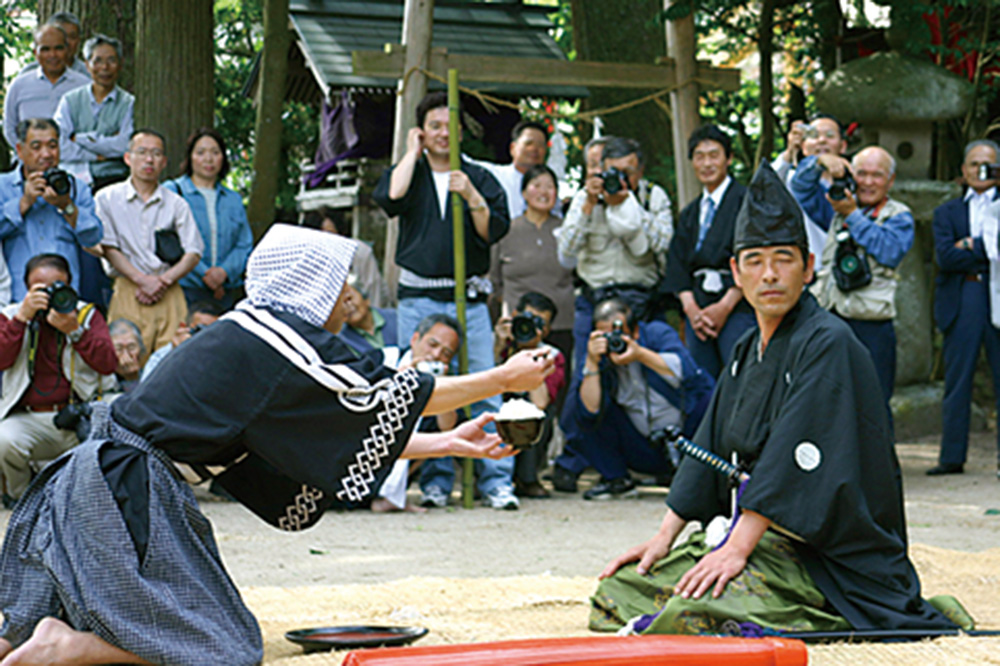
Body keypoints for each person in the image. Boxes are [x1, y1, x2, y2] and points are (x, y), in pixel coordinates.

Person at [0, 224, 554, 665]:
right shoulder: (273, 341)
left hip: (87, 486)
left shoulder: (254, 341)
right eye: (338, 285)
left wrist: (449, 442)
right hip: (125, 493)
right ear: (311, 284)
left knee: (14, 627)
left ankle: (59, 635)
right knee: (224, 646)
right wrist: (502, 379)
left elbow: (331, 433)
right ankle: (73, 647)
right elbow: (382, 392)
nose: (345, 300)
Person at [591, 162, 962, 637]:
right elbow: (708, 445)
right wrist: (663, 538)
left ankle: (815, 609)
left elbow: (794, 453)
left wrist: (737, 548)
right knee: (617, 591)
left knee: (686, 615)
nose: (770, 275)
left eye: (784, 258)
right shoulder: (748, 350)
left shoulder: (829, 342)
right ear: (735, 272)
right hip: (759, 536)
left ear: (808, 267)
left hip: (828, 556)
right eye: (755, 261)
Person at [373, 91, 517, 510]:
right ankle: (435, 481)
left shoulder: (479, 175)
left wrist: (472, 196)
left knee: (486, 385)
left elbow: (493, 231)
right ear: (422, 131)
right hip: (419, 295)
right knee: (425, 388)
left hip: (468, 296)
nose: (441, 134)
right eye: (432, 126)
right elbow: (390, 199)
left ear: (459, 131)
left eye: (448, 127)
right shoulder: (412, 170)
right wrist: (410, 151)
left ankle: (496, 480)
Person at [561, 298, 713, 501]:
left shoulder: (656, 333)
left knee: (710, 399)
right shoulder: (598, 357)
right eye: (607, 336)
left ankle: (708, 478)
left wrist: (640, 354)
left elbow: (687, 371)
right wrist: (591, 363)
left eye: (619, 333)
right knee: (581, 407)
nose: (615, 341)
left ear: (635, 331)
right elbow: (589, 410)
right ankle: (616, 479)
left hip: (687, 437)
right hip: (642, 446)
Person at [799, 145, 914, 410]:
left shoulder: (899, 215)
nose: (868, 182)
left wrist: (852, 215)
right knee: (828, 402)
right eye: (862, 173)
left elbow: (889, 250)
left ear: (890, 180)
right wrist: (819, 162)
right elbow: (801, 189)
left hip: (871, 323)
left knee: (872, 405)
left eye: (877, 175)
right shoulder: (835, 204)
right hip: (831, 315)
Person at [0, 253, 117, 505]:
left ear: (70, 286)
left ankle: (90, 496)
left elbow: (108, 363)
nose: (52, 295)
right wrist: (22, 319)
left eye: (59, 287)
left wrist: (74, 331)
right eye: (42, 289)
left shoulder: (85, 314)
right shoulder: (11, 315)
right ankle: (22, 497)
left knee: (119, 420)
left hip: (79, 416)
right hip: (29, 418)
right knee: (3, 439)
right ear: (27, 288)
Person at [557, 136, 674, 372]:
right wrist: (588, 206)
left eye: (626, 172)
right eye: (613, 171)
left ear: (640, 171)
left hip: (642, 301)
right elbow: (566, 252)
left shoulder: (652, 196)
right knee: (586, 375)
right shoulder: (585, 196)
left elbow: (664, 243)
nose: (619, 179)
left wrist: (631, 207)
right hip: (594, 299)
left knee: (654, 376)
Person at [97, 129, 203, 359]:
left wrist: (162, 281)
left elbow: (193, 252)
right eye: (142, 152)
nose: (149, 160)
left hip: (169, 289)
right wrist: (141, 280)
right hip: (127, 288)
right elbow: (108, 247)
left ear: (164, 162)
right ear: (127, 158)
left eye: (156, 154)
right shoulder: (106, 198)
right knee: (125, 359)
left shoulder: (176, 204)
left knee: (174, 360)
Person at [930, 139, 1000, 477]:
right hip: (964, 295)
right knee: (957, 380)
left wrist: (973, 245)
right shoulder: (947, 211)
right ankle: (952, 457)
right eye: (973, 164)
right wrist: (987, 251)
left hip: (997, 294)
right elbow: (945, 256)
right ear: (963, 170)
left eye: (987, 164)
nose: (980, 170)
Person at [663, 125, 753, 378]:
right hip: (698, 310)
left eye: (714, 155)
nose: (706, 163)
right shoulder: (690, 212)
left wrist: (725, 306)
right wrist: (691, 310)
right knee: (701, 382)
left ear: (729, 158)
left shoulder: (747, 201)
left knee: (741, 377)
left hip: (738, 304)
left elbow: (752, 255)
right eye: (699, 157)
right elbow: (677, 263)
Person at [411, 314, 520, 509]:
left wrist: (440, 384)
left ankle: (495, 485)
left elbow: (447, 426)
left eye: (445, 352)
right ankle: (434, 482)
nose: (436, 355)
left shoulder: (446, 378)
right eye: (432, 344)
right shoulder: (386, 359)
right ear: (414, 339)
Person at [0, 118, 103, 303]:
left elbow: (93, 237)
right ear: (20, 150)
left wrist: (67, 206)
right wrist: (24, 202)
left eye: (52, 146)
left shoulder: (77, 187)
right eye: (36, 146)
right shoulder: (3, 186)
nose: (46, 154)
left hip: (66, 296)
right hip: (16, 297)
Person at [491, 164, 575, 362]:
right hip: (519, 326)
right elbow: (494, 280)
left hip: (561, 324)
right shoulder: (507, 230)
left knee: (556, 383)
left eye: (550, 186)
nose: (543, 192)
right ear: (523, 192)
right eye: (536, 185)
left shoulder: (567, 230)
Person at [166, 128, 253, 311]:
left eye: (215, 152)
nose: (208, 159)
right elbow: (171, 241)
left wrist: (223, 273)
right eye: (200, 152)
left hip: (225, 291)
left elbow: (244, 244)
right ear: (190, 157)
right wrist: (207, 275)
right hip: (184, 287)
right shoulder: (174, 191)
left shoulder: (233, 199)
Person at [493, 291, 567, 498]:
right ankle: (489, 478)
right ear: (514, 315)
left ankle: (527, 479)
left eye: (539, 323)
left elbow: (541, 402)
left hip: (526, 415)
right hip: (494, 408)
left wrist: (533, 354)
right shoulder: (494, 342)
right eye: (526, 319)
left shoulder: (552, 355)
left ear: (547, 330)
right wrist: (499, 346)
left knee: (539, 415)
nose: (530, 327)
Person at [53, 34, 134, 189]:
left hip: (113, 177)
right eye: (97, 61)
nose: (105, 67)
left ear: (121, 64)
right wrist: (96, 155)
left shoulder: (128, 103)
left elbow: (125, 145)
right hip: (72, 177)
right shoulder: (70, 100)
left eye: (111, 60)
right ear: (87, 65)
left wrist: (80, 139)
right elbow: (58, 144)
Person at [2, 23, 90, 151]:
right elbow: (9, 127)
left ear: (67, 50)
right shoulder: (19, 86)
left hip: (74, 165)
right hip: (29, 165)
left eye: (58, 48)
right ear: (35, 53)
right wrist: (29, 154)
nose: (53, 55)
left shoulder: (85, 86)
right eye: (45, 49)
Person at [302, 207, 387, 308]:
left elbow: (374, 293)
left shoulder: (358, 252)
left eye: (330, 235)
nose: (326, 241)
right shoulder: (306, 260)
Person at [473, 119, 551, 219]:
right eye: (528, 143)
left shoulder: (549, 186)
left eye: (540, 145)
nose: (534, 149)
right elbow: (464, 161)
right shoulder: (494, 174)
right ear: (512, 148)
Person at [139, 301, 221, 382]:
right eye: (201, 329)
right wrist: (176, 354)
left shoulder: (223, 354)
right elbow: (148, 388)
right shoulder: (162, 356)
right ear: (184, 327)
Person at [18, 12, 89, 77]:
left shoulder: (89, 74)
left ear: (79, 40)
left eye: (72, 37)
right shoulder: (28, 73)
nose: (67, 42)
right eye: (59, 36)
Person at [338, 280, 397, 354]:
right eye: (341, 304)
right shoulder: (343, 341)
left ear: (367, 300)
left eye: (350, 298)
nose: (348, 306)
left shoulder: (396, 317)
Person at [108, 318, 145, 393]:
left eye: (131, 347)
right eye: (119, 348)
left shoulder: (149, 373)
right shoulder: (101, 379)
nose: (126, 355)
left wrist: (132, 377)